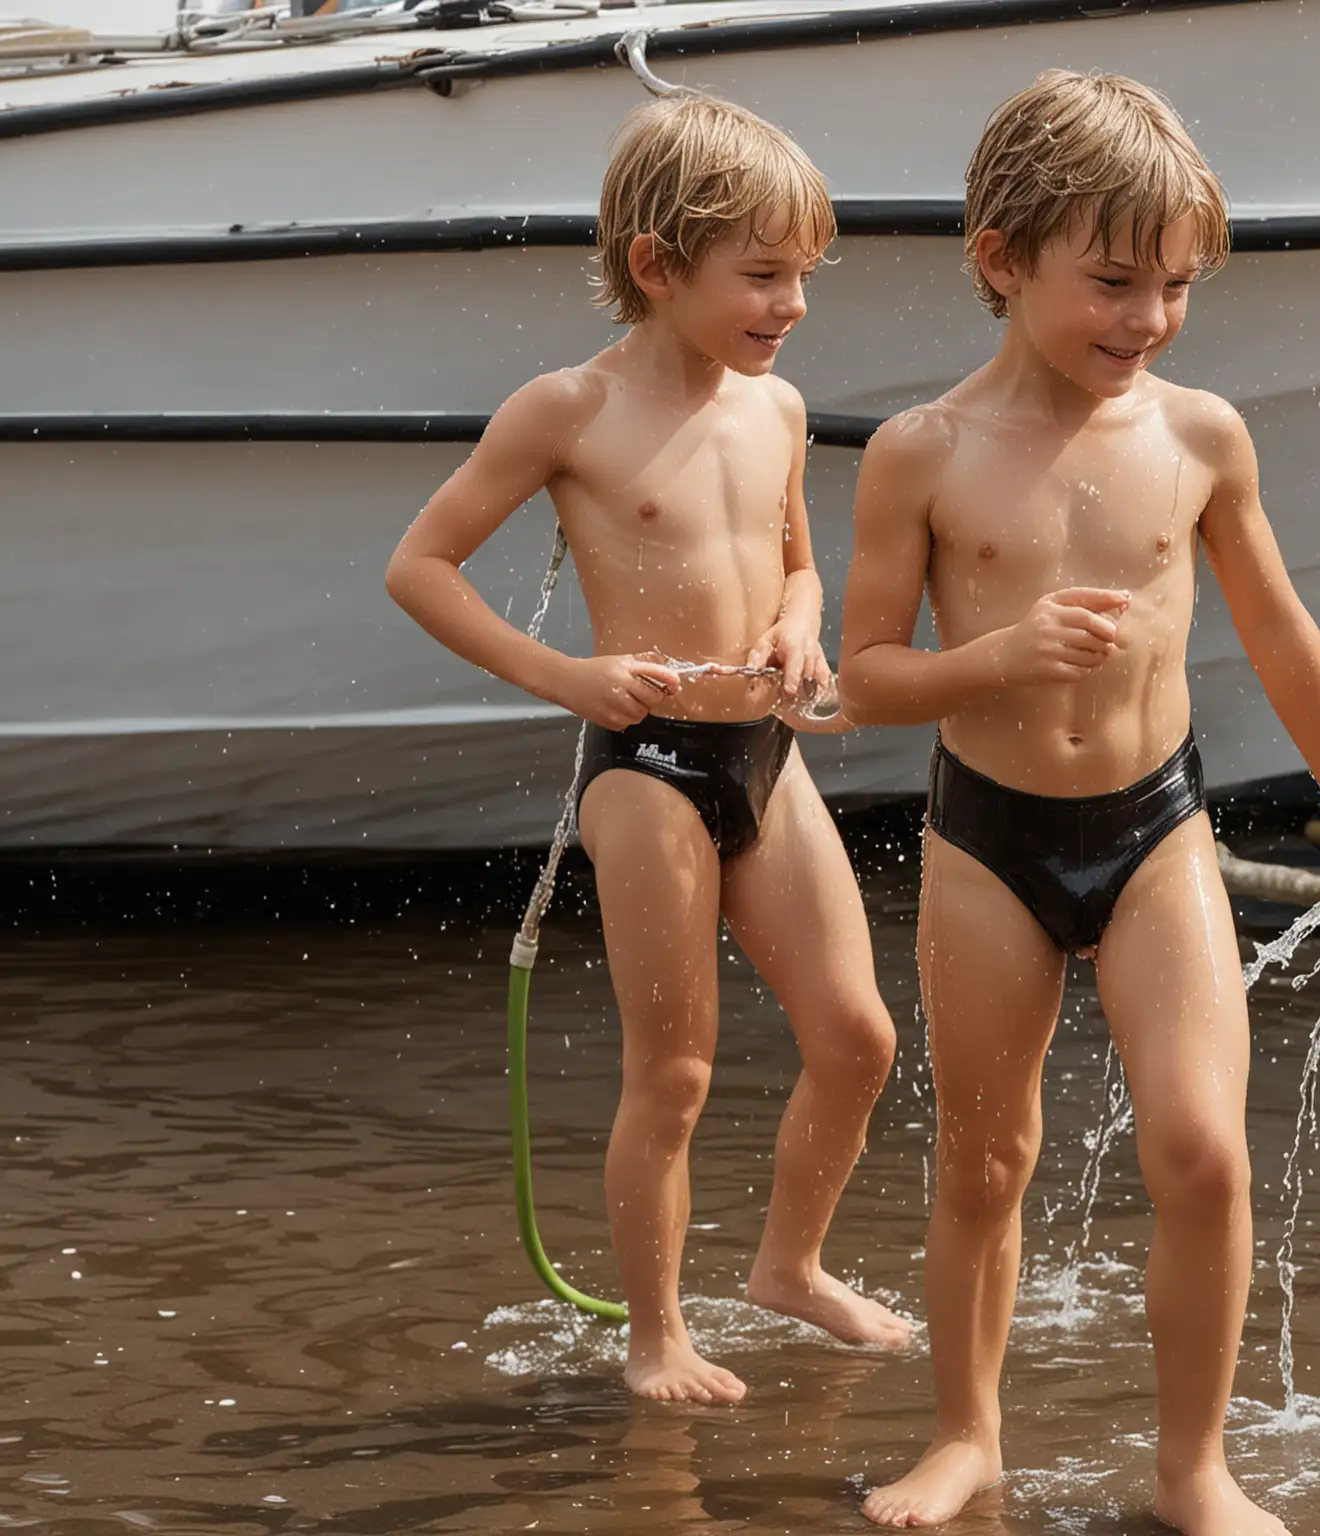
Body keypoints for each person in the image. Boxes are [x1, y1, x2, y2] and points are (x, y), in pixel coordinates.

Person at [838, 69, 1320, 1533]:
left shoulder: (1202, 437)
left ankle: (1194, 1468)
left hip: (1158, 833)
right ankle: (968, 1435)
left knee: (1204, 1152)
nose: (1145, 320)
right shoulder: (923, 453)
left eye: (1173, 289)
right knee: (985, 1155)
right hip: (989, 844)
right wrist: (997, 654)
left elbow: (1278, 629)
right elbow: (868, 678)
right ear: (999, 259)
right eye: (1110, 283)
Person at [386, 92, 909, 1406]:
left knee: (859, 1036)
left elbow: (795, 562)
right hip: (649, 774)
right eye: (765, 274)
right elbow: (421, 566)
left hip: (763, 757)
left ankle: (790, 1268)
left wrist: (801, 633)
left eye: (804, 276)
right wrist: (567, 673)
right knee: (674, 1068)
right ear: (658, 269)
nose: (792, 303)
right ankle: (657, 1331)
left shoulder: (774, 407)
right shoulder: (567, 410)